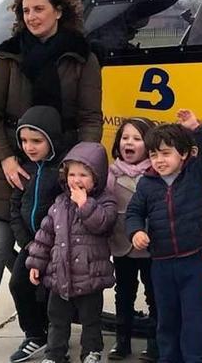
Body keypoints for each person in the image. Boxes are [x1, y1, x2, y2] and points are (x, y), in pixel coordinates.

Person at [0, 0, 103, 361]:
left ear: (59, 11)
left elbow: (89, 117)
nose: (31, 17)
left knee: (56, 254)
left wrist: (79, 165)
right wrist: (6, 158)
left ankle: (48, 328)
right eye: (25, 11)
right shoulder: (10, 56)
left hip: (61, 172)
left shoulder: (81, 57)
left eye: (39, 9)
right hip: (11, 168)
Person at [126, 110, 202, 363]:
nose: (159, 160)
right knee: (167, 320)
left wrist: (196, 127)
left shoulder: (195, 174)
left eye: (166, 153)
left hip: (193, 262)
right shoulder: (147, 184)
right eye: (153, 154)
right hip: (161, 263)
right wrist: (136, 231)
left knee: (195, 320)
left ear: (183, 154)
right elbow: (134, 212)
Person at [26, 142, 117, 363]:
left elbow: (102, 224)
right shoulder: (60, 203)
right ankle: (55, 353)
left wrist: (85, 205)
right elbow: (45, 235)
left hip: (89, 276)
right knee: (57, 318)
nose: (76, 180)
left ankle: (92, 351)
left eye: (84, 175)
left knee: (90, 318)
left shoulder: (105, 201)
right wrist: (36, 263)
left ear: (97, 177)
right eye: (72, 174)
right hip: (60, 275)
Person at [7, 106, 68, 362]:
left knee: (54, 296)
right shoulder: (26, 168)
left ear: (51, 139)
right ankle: (34, 334)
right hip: (31, 245)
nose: (29, 147)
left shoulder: (62, 171)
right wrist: (25, 241)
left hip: (55, 247)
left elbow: (66, 212)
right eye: (23, 141)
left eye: (36, 141)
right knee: (19, 284)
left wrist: (50, 244)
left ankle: (56, 341)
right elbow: (14, 205)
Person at [106, 117, 158, 361]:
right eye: (125, 137)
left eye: (137, 138)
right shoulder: (111, 174)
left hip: (150, 247)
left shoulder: (155, 173)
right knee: (123, 293)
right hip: (121, 245)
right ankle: (122, 341)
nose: (129, 142)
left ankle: (154, 342)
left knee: (154, 294)